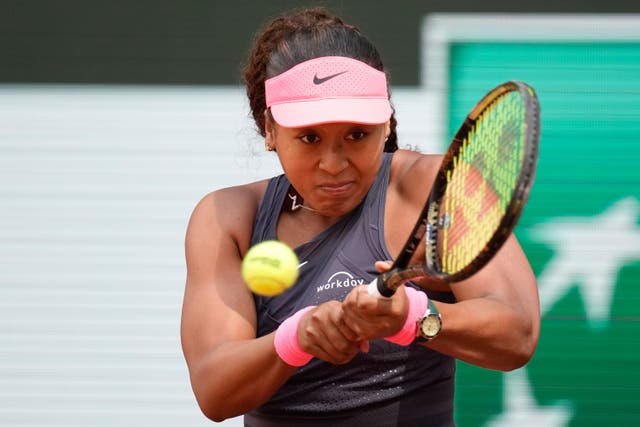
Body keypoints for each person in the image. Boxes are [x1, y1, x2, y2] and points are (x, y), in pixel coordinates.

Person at [180, 7, 540, 427]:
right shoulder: (227, 218)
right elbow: (214, 392)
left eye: (356, 134)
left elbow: (518, 332)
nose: (333, 163)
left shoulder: (435, 187)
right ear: (271, 131)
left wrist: (413, 317)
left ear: (385, 125)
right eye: (310, 138)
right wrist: (297, 338)